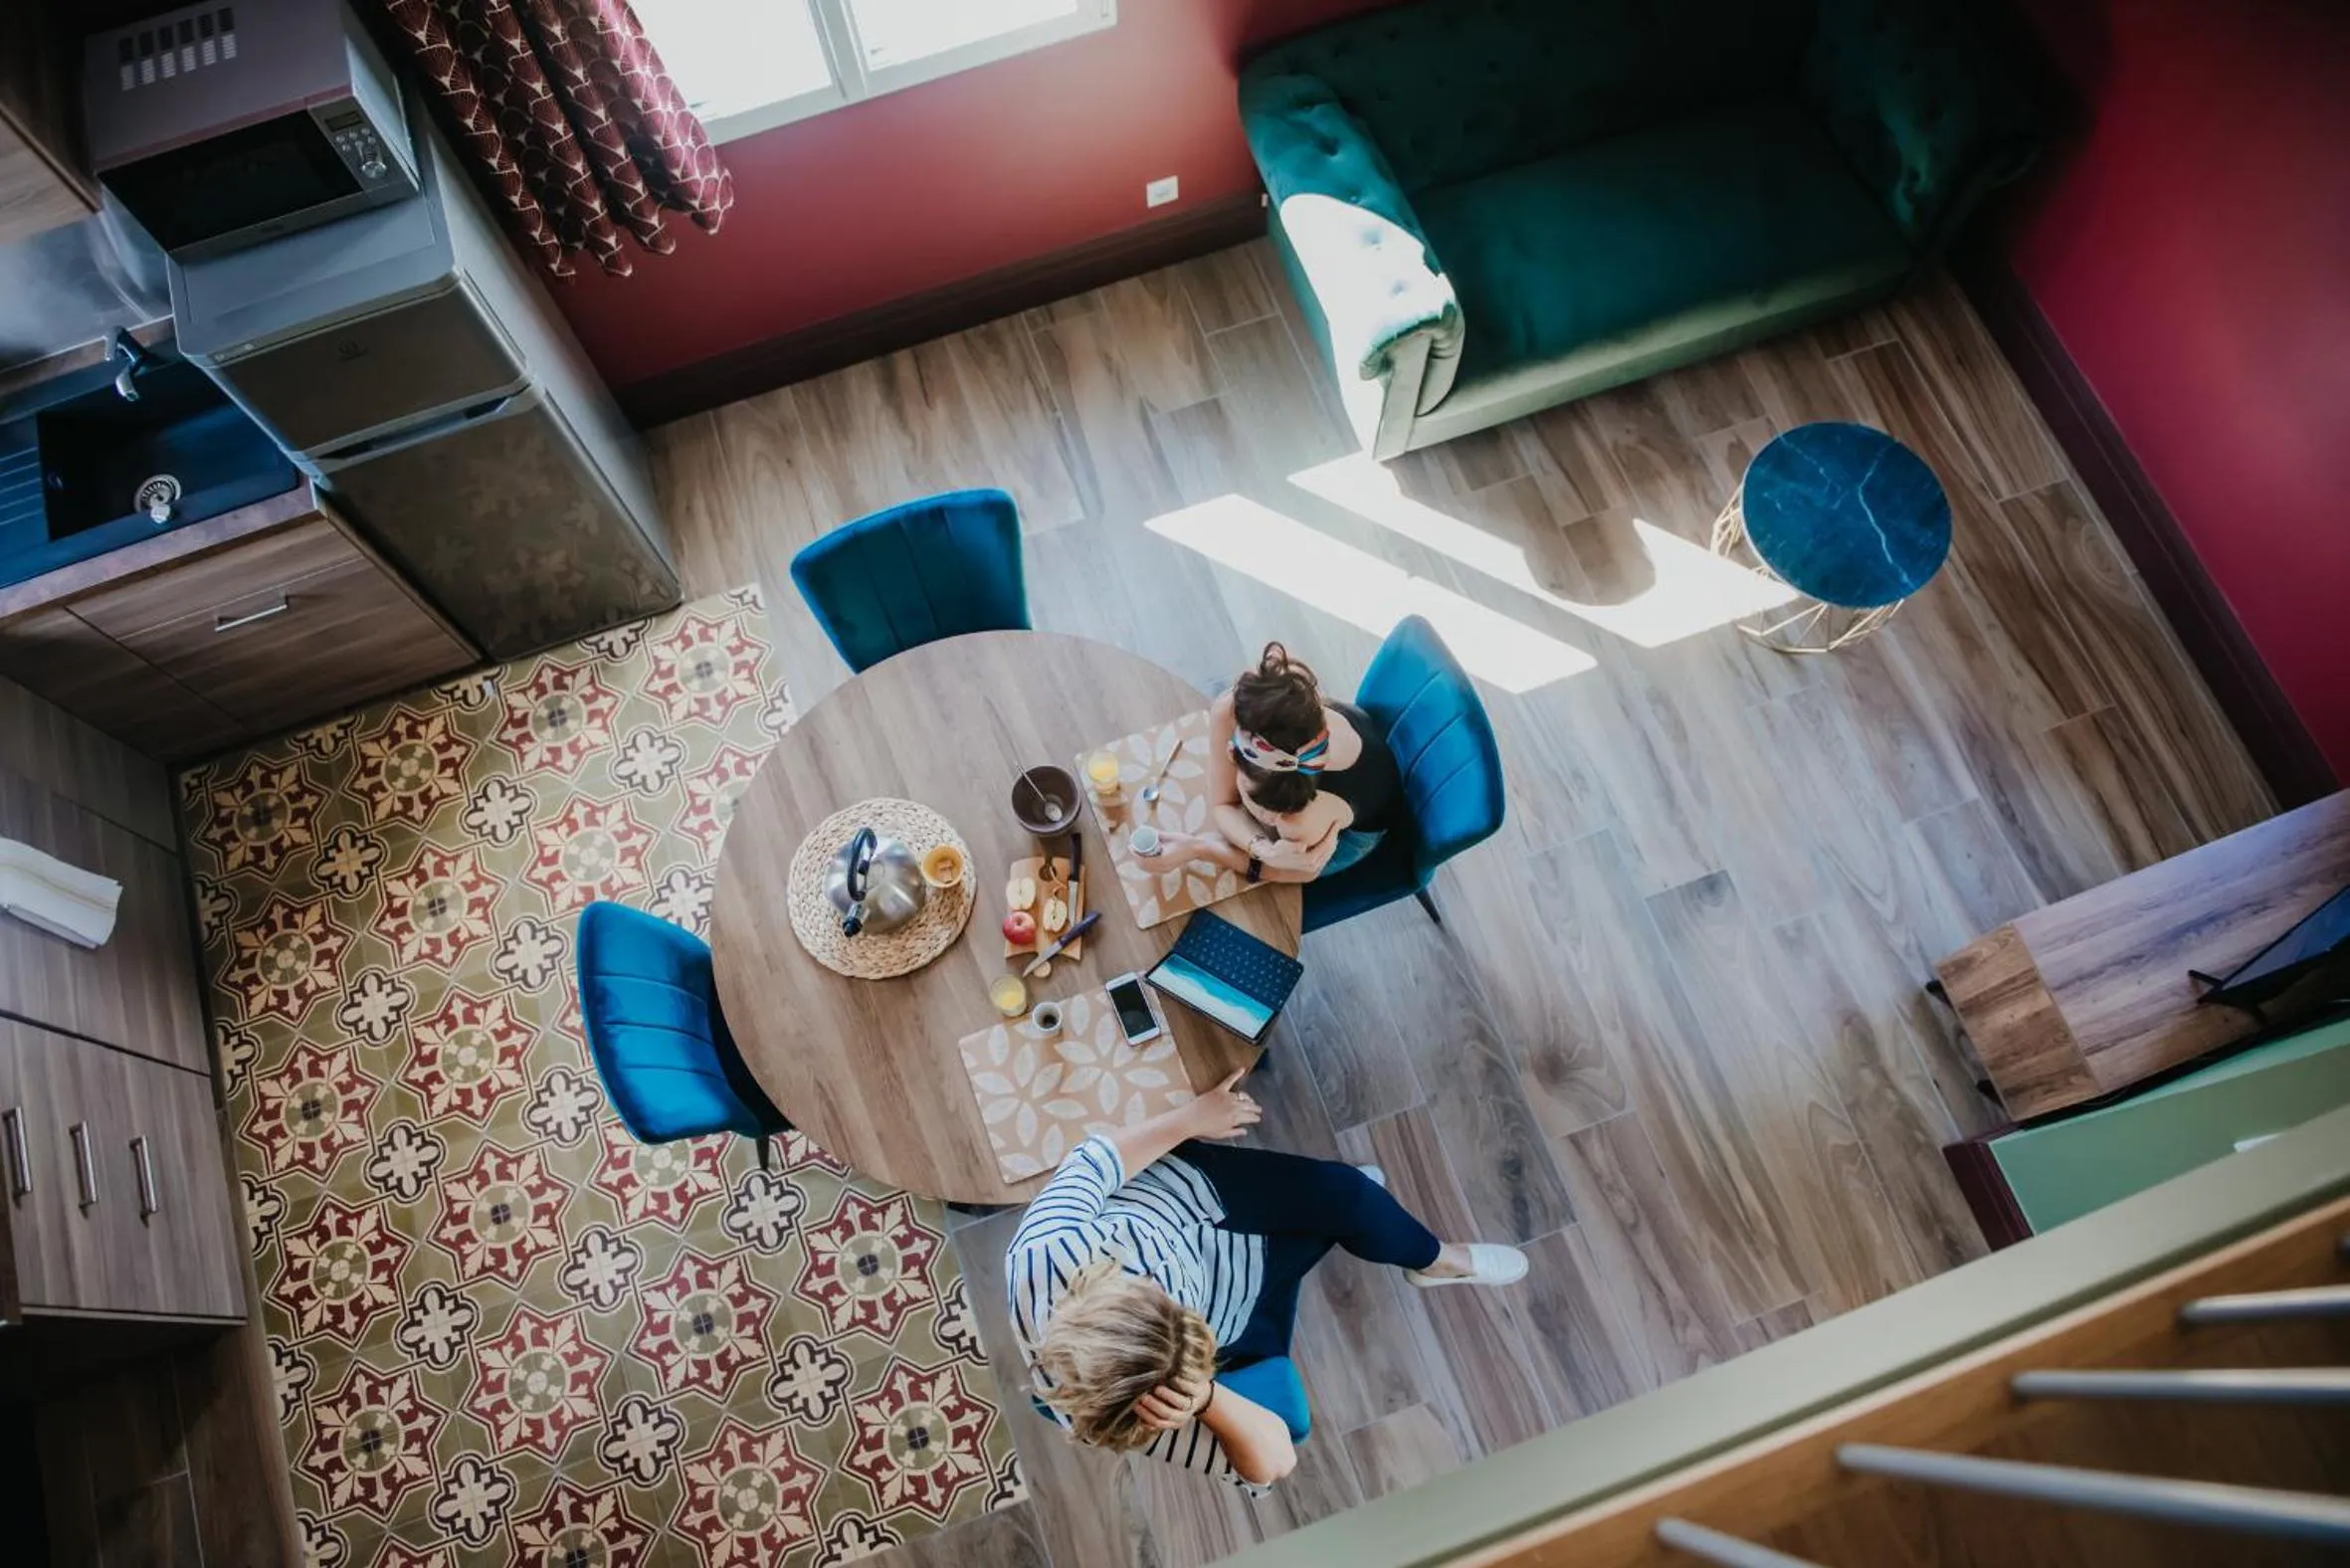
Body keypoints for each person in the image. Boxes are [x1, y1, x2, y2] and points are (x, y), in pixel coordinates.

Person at [1006, 1070, 1527, 1488]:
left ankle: (1433, 1259)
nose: (1160, 1282)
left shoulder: (1044, 1250)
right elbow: (1274, 1462)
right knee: (1345, 1205)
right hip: (1228, 1301)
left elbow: (1096, 1162)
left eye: (1149, 1289)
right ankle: (1362, 1224)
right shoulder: (1130, 1411)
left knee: (1348, 1196)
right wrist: (1205, 1399)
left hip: (1183, 1197)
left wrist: (1190, 1119)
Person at [1131, 643, 1401, 885]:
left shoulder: (1299, 822)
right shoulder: (1232, 709)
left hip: (1353, 831)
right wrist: (1263, 849)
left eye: (1278, 811)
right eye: (1259, 801)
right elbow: (1223, 804)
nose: (1270, 819)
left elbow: (1299, 872)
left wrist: (1203, 849)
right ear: (1231, 753)